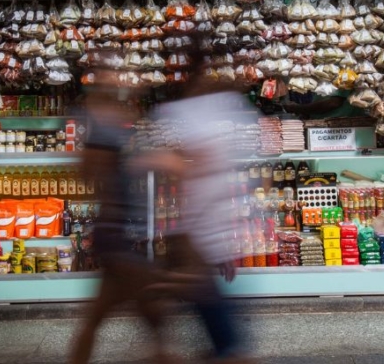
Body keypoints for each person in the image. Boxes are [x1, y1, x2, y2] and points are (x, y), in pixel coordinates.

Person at [132, 53, 256, 364]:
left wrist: (149, 158)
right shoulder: (217, 111)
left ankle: (219, 352)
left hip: (202, 230)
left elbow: (188, 163)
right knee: (202, 297)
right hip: (203, 229)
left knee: (195, 295)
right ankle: (219, 350)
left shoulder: (196, 112)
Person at [68, 67, 167, 364]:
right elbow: (88, 172)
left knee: (101, 317)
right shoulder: (100, 124)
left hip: (116, 233)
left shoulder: (109, 120)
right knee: (154, 313)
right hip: (115, 233)